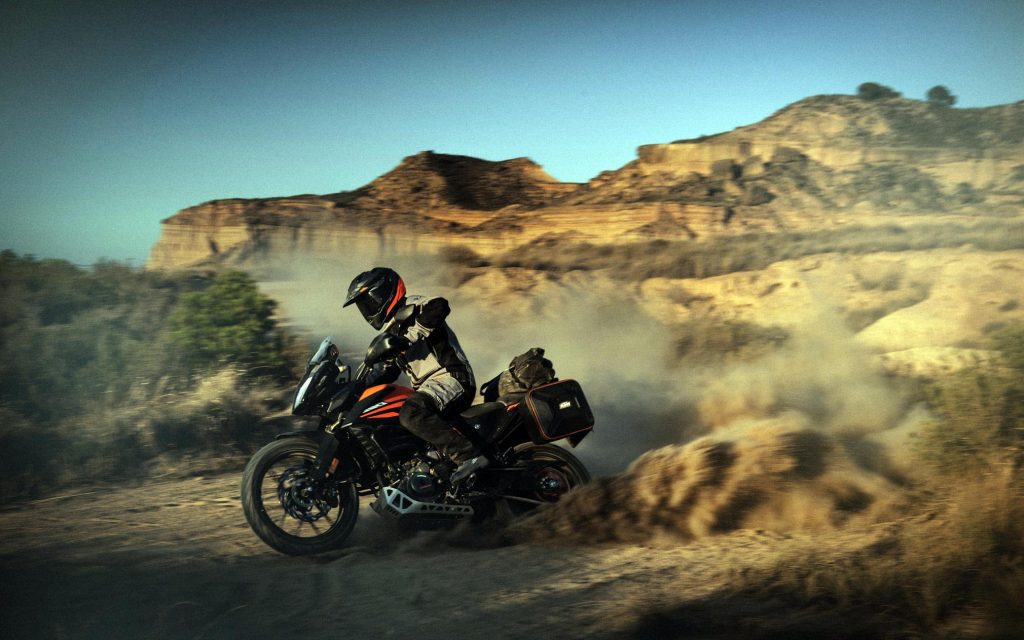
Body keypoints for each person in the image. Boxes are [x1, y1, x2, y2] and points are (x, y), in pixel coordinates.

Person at [343, 267, 488, 482]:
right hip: (429, 390)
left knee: (410, 412)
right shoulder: (392, 333)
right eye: (362, 306)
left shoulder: (413, 307)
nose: (366, 309)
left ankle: (469, 456)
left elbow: (440, 306)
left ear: (384, 293)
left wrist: (411, 336)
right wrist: (355, 390)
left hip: (452, 379)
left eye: (368, 301)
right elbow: (387, 371)